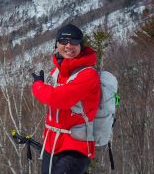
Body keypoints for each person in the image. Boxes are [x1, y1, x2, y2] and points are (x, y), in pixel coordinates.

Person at [31, 23, 101, 174]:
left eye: (74, 41)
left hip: (75, 146)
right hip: (51, 144)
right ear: (56, 44)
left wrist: (38, 86)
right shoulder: (56, 71)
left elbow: (61, 100)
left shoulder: (88, 74)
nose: (68, 46)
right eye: (63, 41)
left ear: (81, 45)